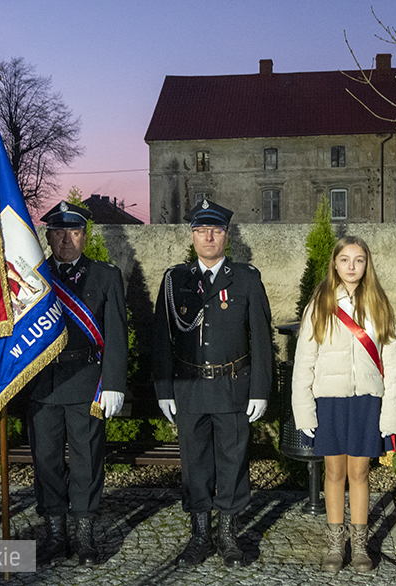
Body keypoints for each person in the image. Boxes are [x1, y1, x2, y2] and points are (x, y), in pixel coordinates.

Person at [153, 199, 272, 568]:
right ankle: (200, 535)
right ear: (191, 236)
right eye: (201, 230)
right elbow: (161, 338)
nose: (208, 237)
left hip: (233, 388)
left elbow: (261, 339)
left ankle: (228, 536)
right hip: (189, 388)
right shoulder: (175, 280)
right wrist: (164, 389)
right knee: (195, 465)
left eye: (216, 230)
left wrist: (260, 390)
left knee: (233, 463)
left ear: (226, 235)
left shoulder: (246, 278)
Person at [291, 235, 396, 573]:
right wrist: (304, 409)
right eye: (345, 260)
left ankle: (360, 545)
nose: (351, 267)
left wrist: (390, 414)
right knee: (335, 472)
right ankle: (335, 545)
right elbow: (304, 361)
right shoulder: (320, 304)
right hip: (330, 400)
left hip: (367, 401)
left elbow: (392, 364)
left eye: (359, 260)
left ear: (367, 264)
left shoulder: (379, 304)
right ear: (335, 264)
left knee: (360, 472)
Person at [29, 201, 128, 566]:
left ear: (85, 236)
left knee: (87, 460)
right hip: (42, 383)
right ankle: (56, 534)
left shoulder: (104, 275)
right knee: (46, 460)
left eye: (74, 232)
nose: (66, 240)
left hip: (86, 381)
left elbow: (116, 334)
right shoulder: (32, 278)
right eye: (58, 232)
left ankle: (84, 533)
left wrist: (114, 383)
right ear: (48, 237)